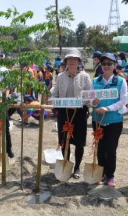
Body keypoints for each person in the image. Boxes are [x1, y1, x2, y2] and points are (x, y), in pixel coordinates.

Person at [52, 48, 92, 179]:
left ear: (79, 61)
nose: (72, 61)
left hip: (79, 112)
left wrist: (81, 102)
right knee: (64, 140)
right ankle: (66, 163)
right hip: (64, 112)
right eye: (70, 59)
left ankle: (77, 167)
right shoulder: (60, 76)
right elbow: (55, 93)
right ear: (66, 62)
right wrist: (54, 102)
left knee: (79, 141)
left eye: (75, 59)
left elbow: (89, 95)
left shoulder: (85, 77)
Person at [91, 53, 128, 187]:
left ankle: (110, 175)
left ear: (115, 65)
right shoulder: (95, 81)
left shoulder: (120, 81)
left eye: (109, 64)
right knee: (100, 148)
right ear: (100, 66)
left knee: (111, 149)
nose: (106, 66)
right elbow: (90, 100)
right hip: (98, 120)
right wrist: (94, 103)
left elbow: (123, 100)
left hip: (114, 121)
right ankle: (101, 172)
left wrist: (108, 108)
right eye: (104, 64)